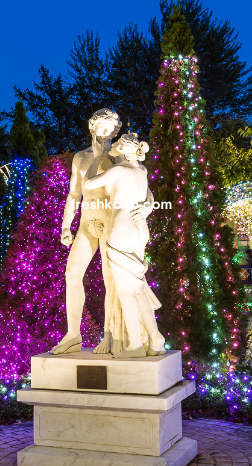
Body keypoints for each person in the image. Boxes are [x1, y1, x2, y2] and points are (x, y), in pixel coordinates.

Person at [83, 133, 165, 358]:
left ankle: (136, 345)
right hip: (141, 229)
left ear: (123, 149)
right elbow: (149, 196)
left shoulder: (118, 170)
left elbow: (88, 183)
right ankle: (155, 338)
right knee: (138, 288)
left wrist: (95, 160)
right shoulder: (142, 170)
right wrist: (148, 207)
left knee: (126, 292)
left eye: (117, 145)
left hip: (123, 229)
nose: (114, 148)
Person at [50, 109, 121, 355]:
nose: (106, 132)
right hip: (86, 223)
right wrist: (65, 225)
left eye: (111, 128)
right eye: (102, 126)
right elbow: (74, 194)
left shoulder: (119, 157)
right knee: (72, 274)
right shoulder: (80, 158)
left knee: (110, 279)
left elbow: (136, 183)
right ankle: (73, 335)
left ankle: (110, 334)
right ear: (92, 127)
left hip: (111, 222)